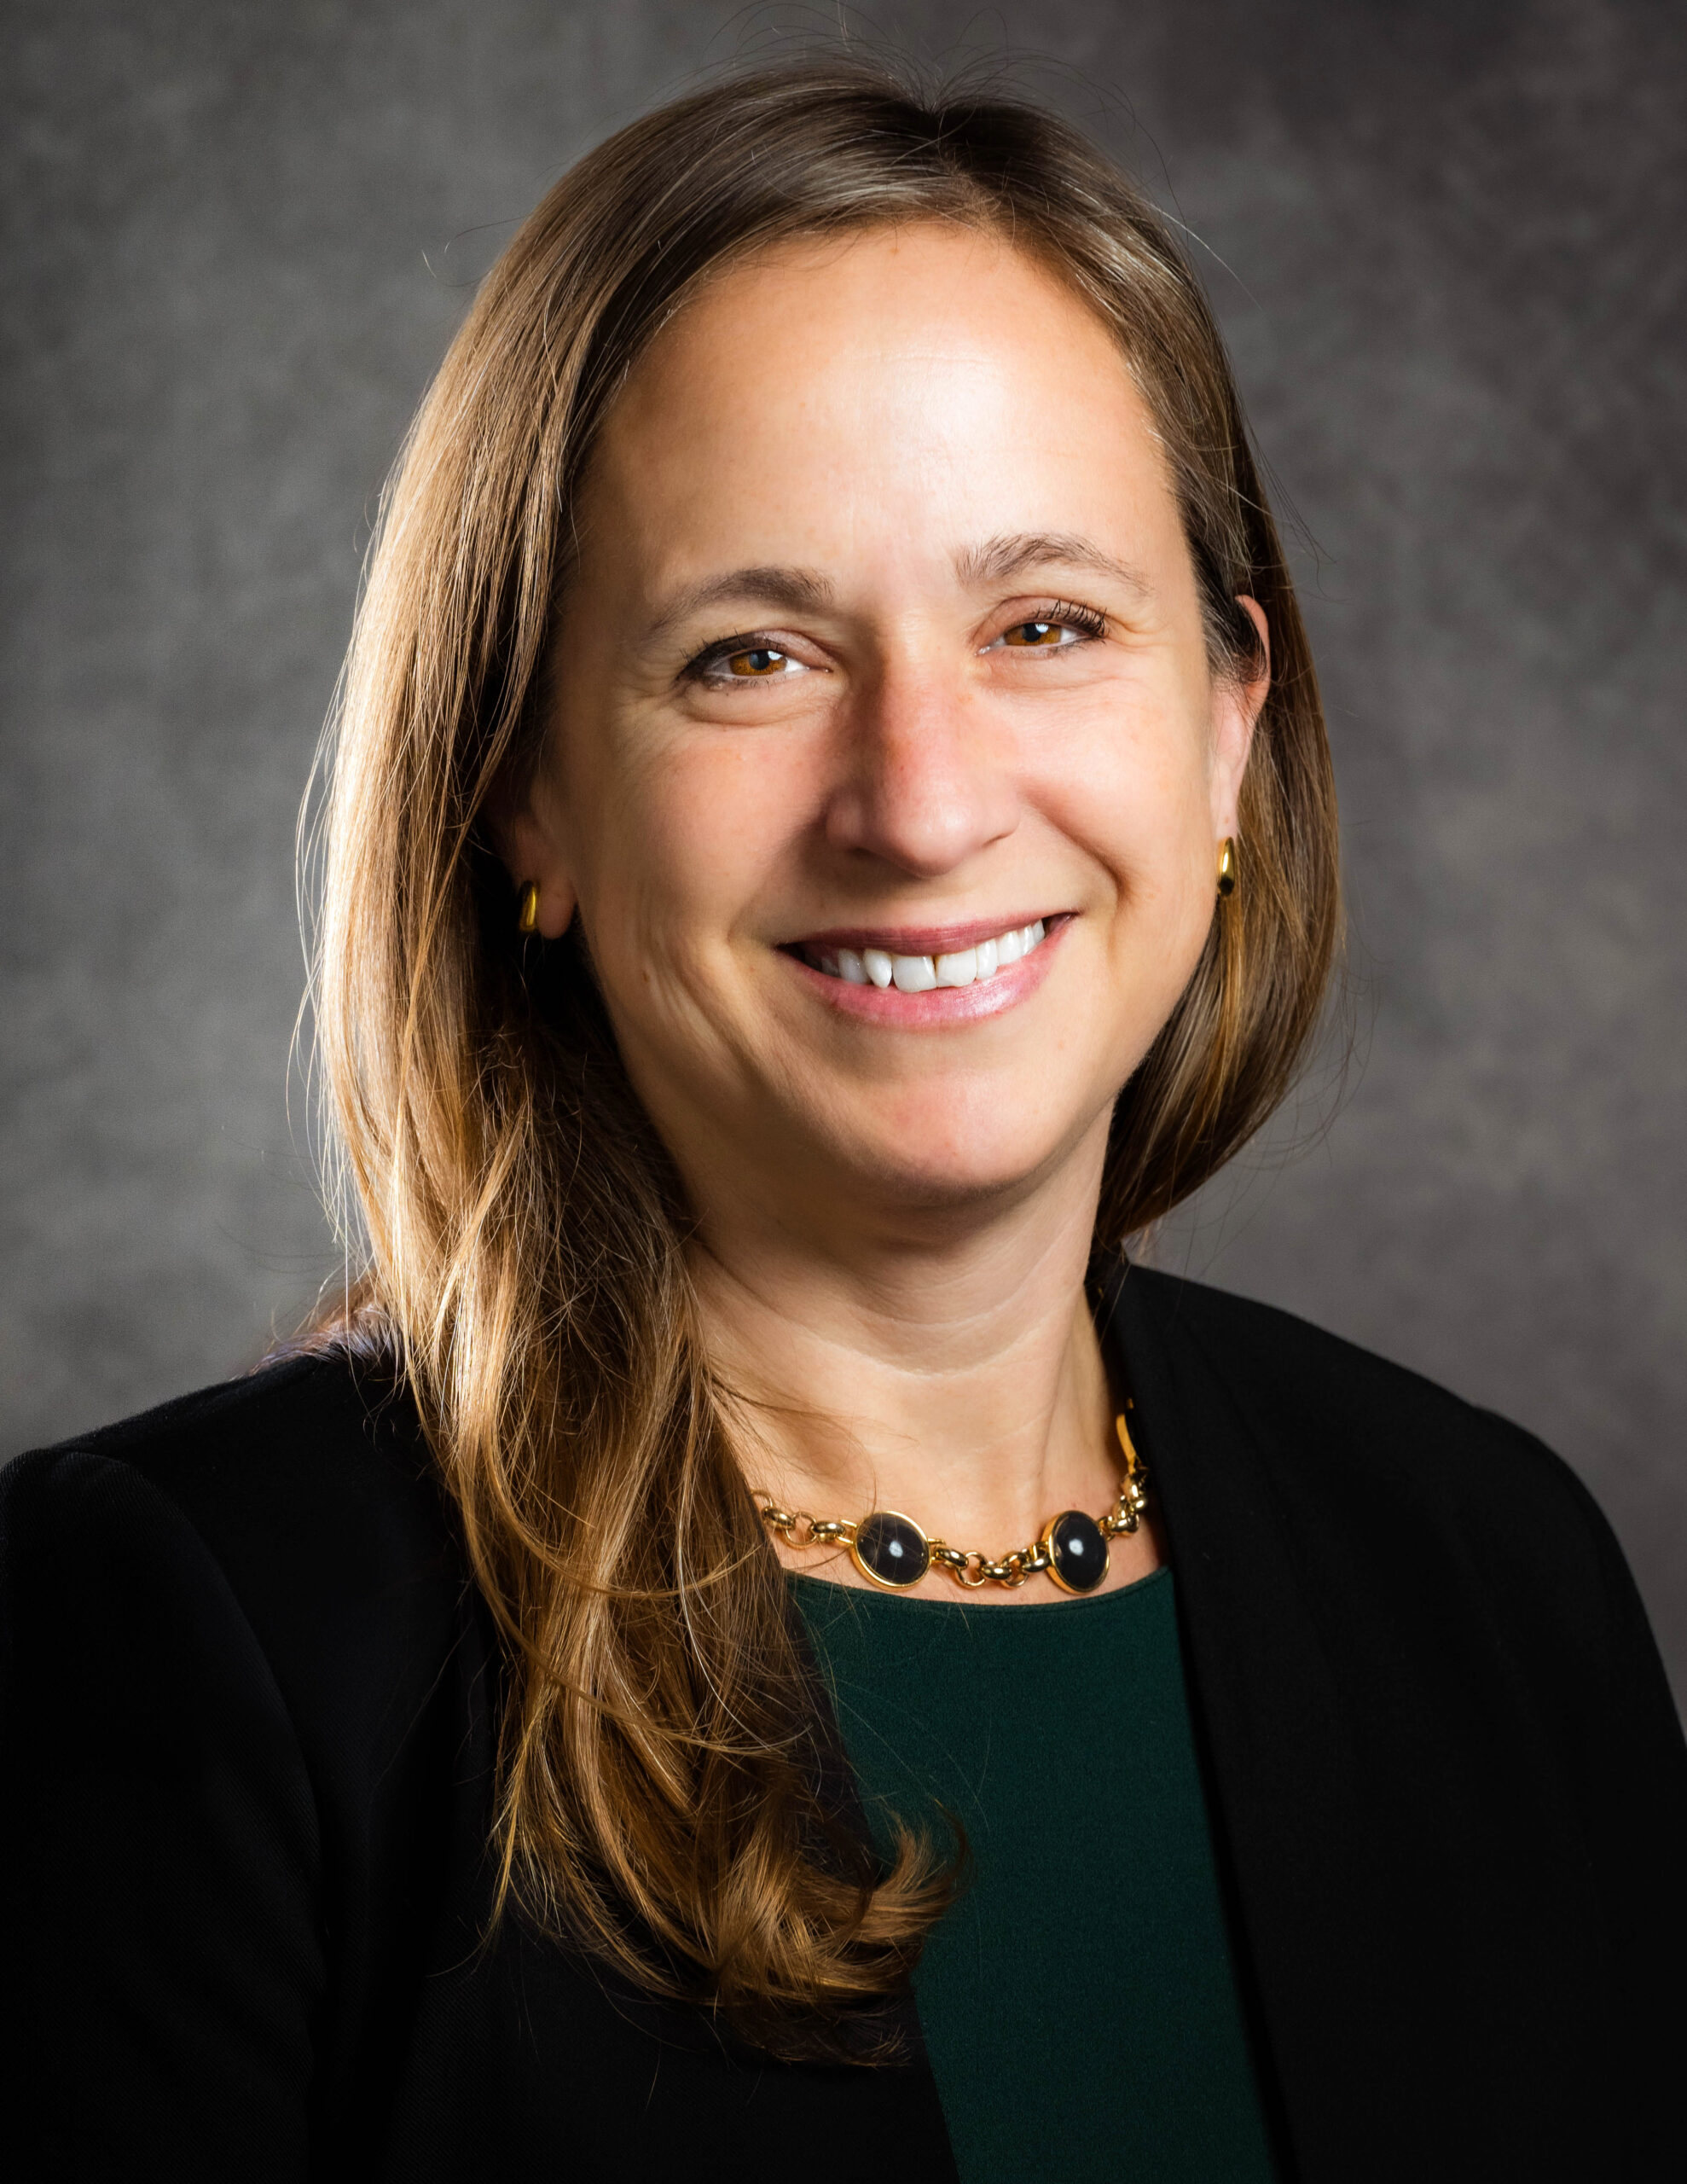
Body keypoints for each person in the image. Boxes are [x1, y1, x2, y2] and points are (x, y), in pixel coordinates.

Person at [3, 57, 1683, 2184]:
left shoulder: (1489, 1566)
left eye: (1046, 624)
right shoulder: (195, 1637)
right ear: (526, 785)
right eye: (750, 655)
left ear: (1228, 726)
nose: (922, 797)